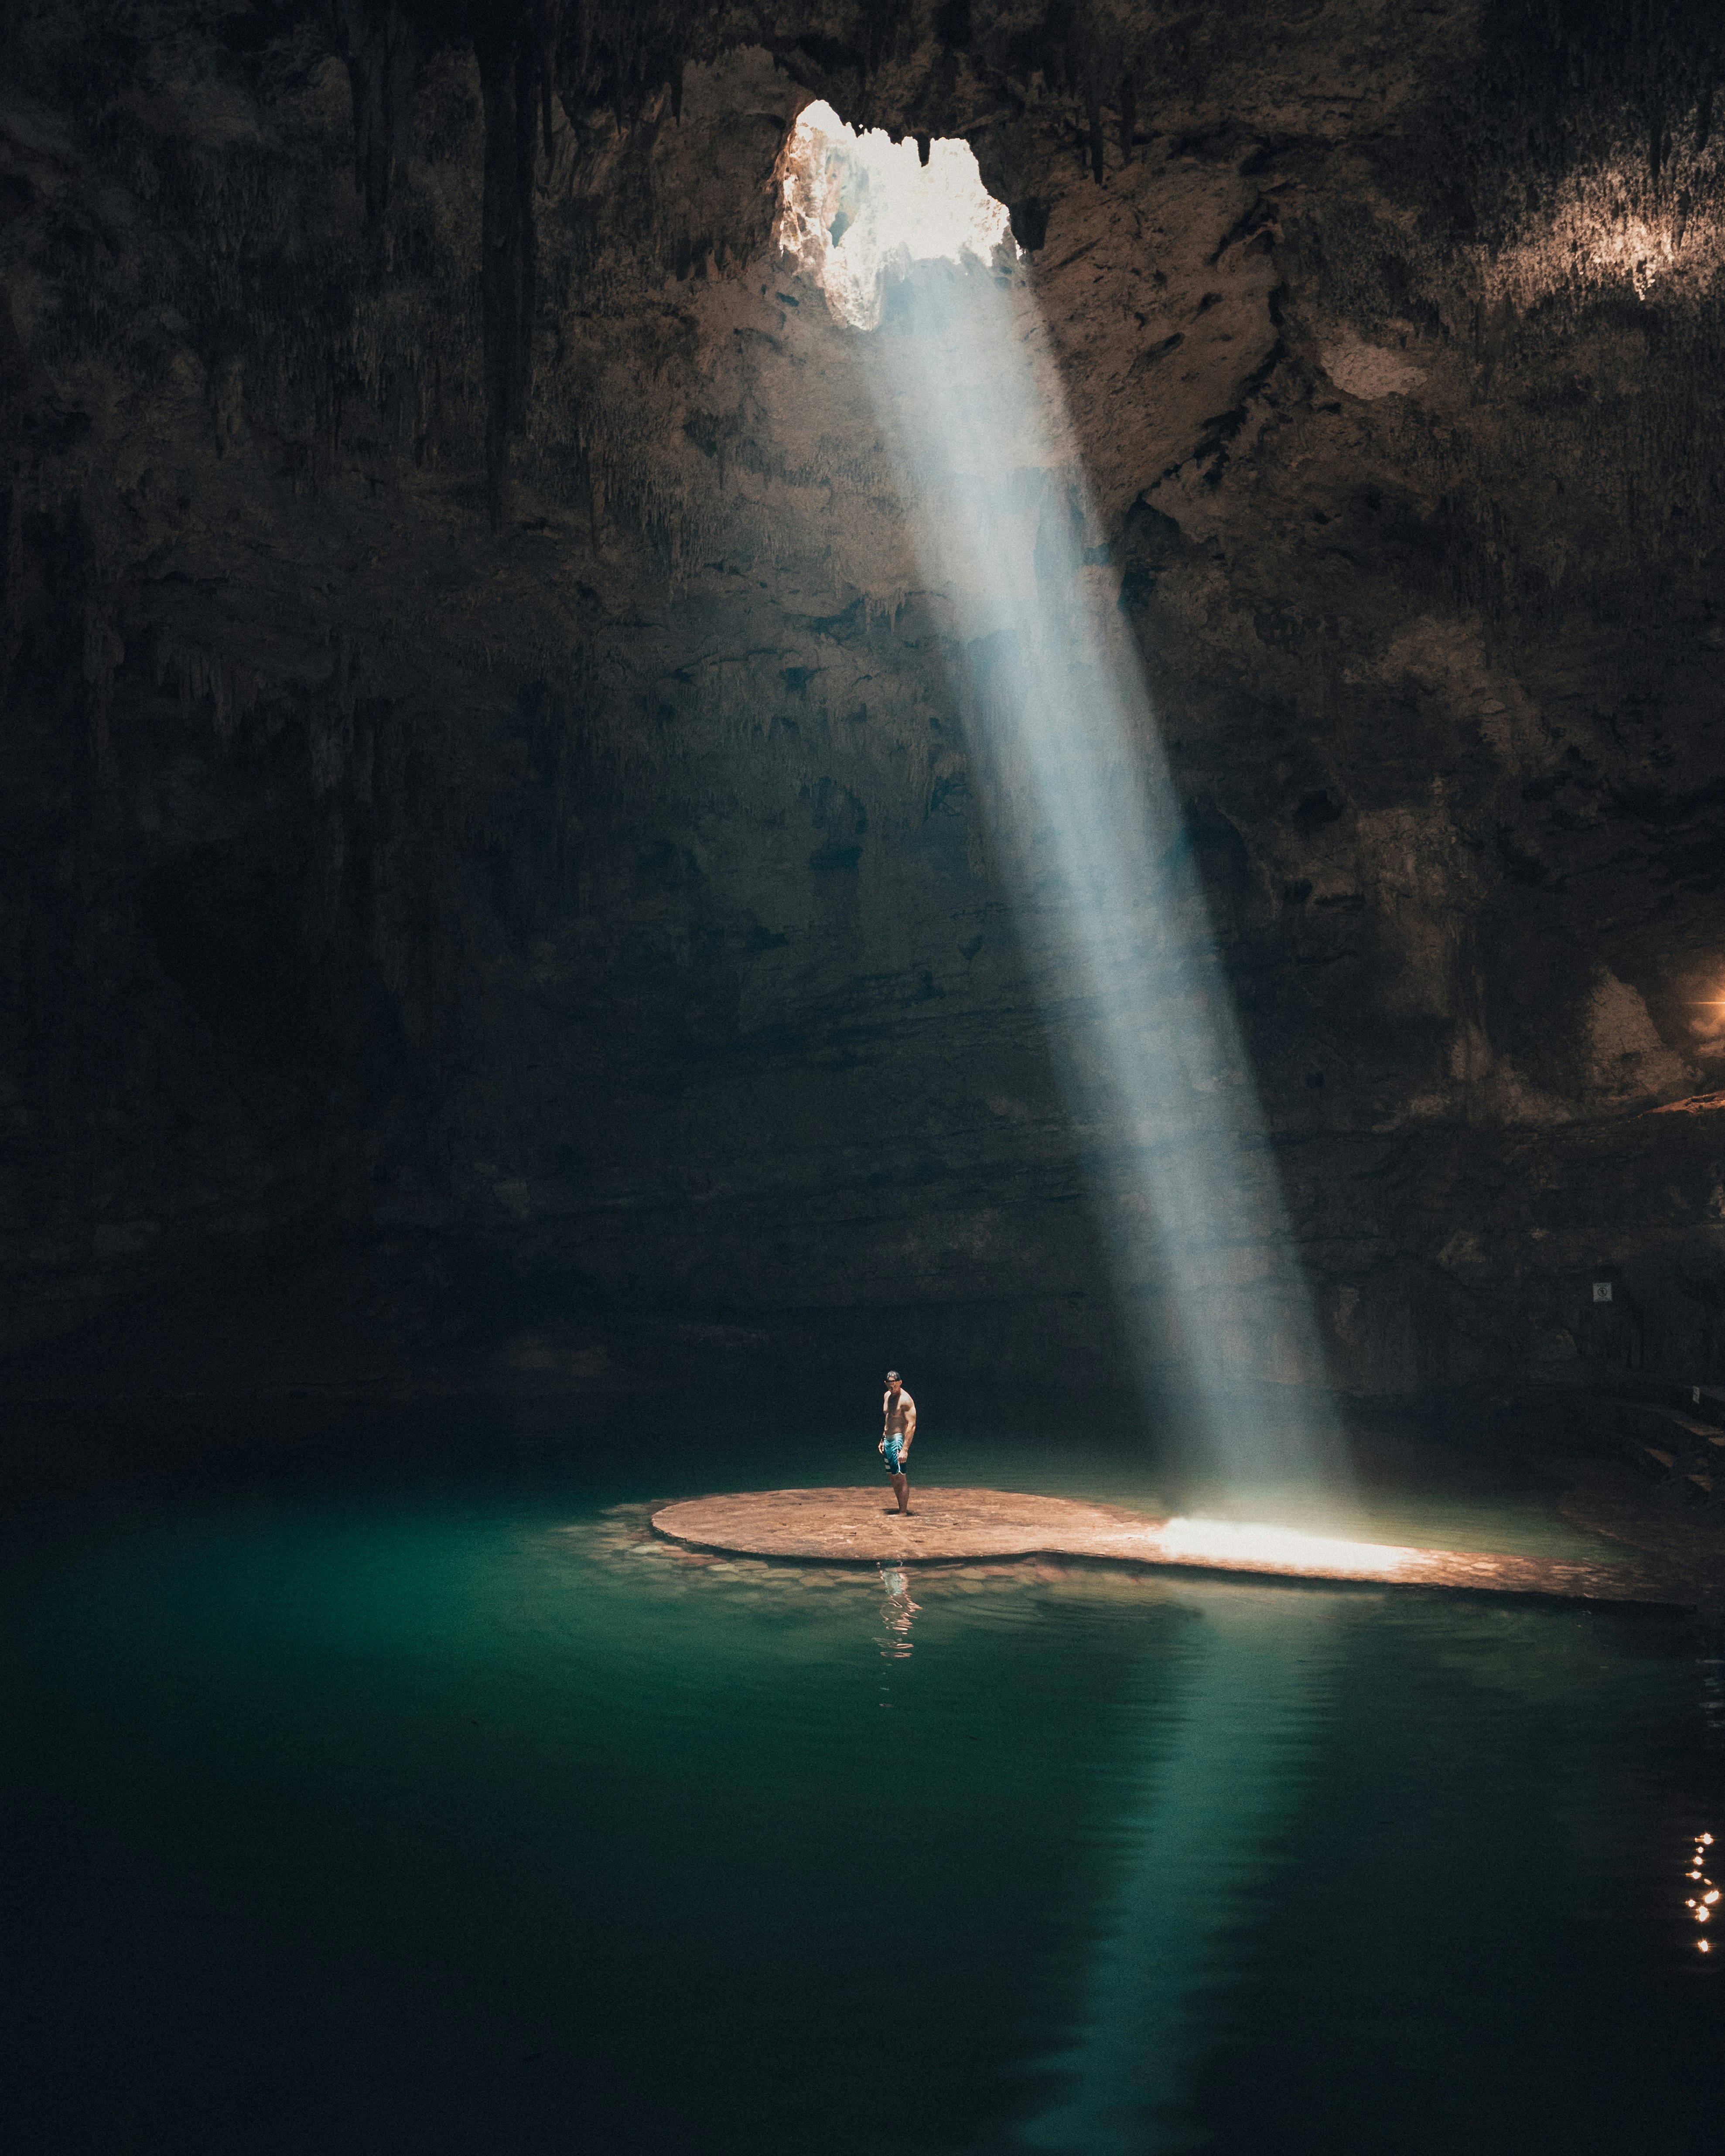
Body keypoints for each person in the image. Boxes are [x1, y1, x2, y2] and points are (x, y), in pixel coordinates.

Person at [880, 1369, 916, 1514]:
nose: (892, 1388)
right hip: (888, 1439)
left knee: (900, 1477)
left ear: (900, 1383)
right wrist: (883, 1438)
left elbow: (912, 1425)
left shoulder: (906, 1400)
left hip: (898, 1440)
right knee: (892, 1476)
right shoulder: (887, 1396)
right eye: (890, 1385)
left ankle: (903, 1512)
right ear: (886, 1384)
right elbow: (888, 1419)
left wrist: (905, 1449)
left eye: (895, 1385)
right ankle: (901, 1509)